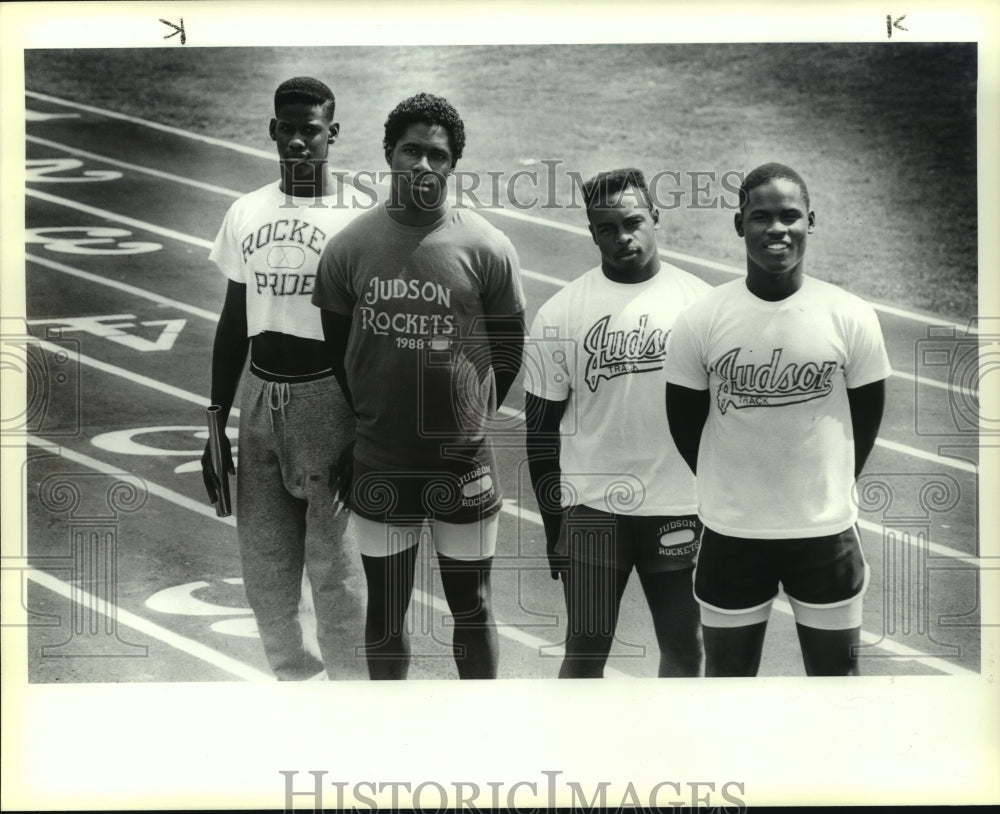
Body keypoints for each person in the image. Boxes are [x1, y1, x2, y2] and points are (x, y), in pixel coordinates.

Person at [312, 92, 526, 680]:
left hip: (463, 467)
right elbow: (340, 352)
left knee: (473, 607)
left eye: (437, 155)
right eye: (411, 151)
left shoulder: (486, 246)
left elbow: (508, 350)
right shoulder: (349, 247)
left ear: (454, 164)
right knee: (385, 615)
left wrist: (473, 419)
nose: (423, 166)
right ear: (388, 154)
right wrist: (371, 421)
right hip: (381, 464)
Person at [664, 162, 891, 677]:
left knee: (838, 686)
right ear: (738, 223)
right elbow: (685, 424)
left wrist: (827, 486)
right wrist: (733, 485)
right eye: (761, 216)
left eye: (789, 215)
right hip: (733, 533)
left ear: (811, 221)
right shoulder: (702, 318)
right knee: (729, 688)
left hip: (824, 532)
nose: (776, 229)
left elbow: (866, 416)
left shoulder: (849, 314)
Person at [201, 76, 368, 680]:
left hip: (330, 398)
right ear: (273, 130)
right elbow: (232, 319)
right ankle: (293, 686)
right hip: (259, 401)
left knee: (338, 580)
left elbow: (371, 334)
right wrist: (216, 421)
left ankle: (355, 702)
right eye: (287, 129)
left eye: (311, 130)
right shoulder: (246, 210)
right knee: (266, 574)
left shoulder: (358, 214)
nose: (298, 141)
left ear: (333, 134)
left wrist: (364, 429)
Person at [524, 168, 710, 678]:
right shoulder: (560, 313)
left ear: (656, 217)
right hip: (592, 512)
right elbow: (539, 431)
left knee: (685, 649)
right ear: (592, 233)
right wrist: (553, 526)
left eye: (633, 221)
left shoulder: (702, 306)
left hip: (678, 507)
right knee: (584, 653)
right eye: (607, 228)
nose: (623, 236)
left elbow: (723, 422)